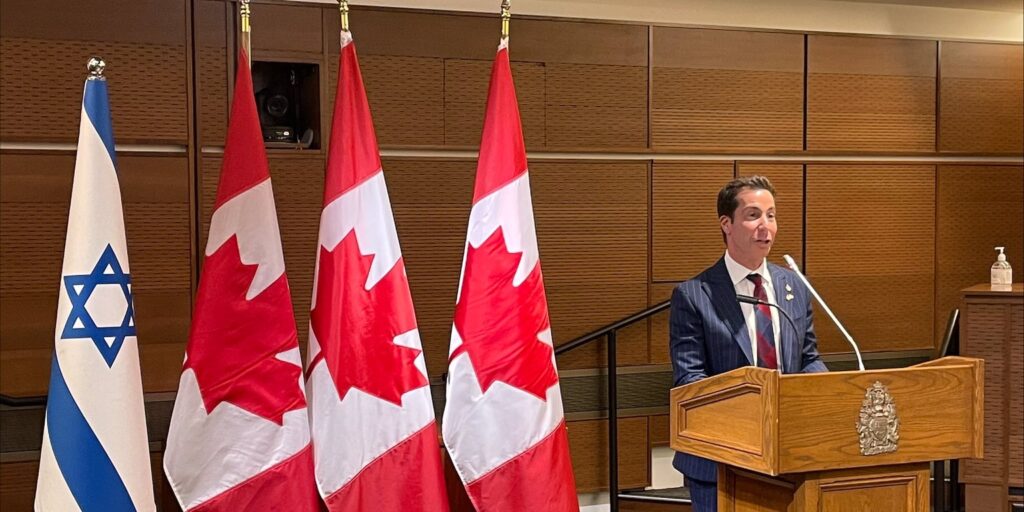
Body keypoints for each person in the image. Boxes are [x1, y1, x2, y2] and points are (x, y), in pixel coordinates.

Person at [668, 175, 827, 512]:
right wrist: (751, 412)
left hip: (789, 455)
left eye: (771, 215)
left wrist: (826, 391)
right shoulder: (695, 295)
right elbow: (690, 381)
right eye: (753, 215)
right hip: (722, 460)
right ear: (727, 224)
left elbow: (808, 356)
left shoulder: (793, 286)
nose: (765, 226)